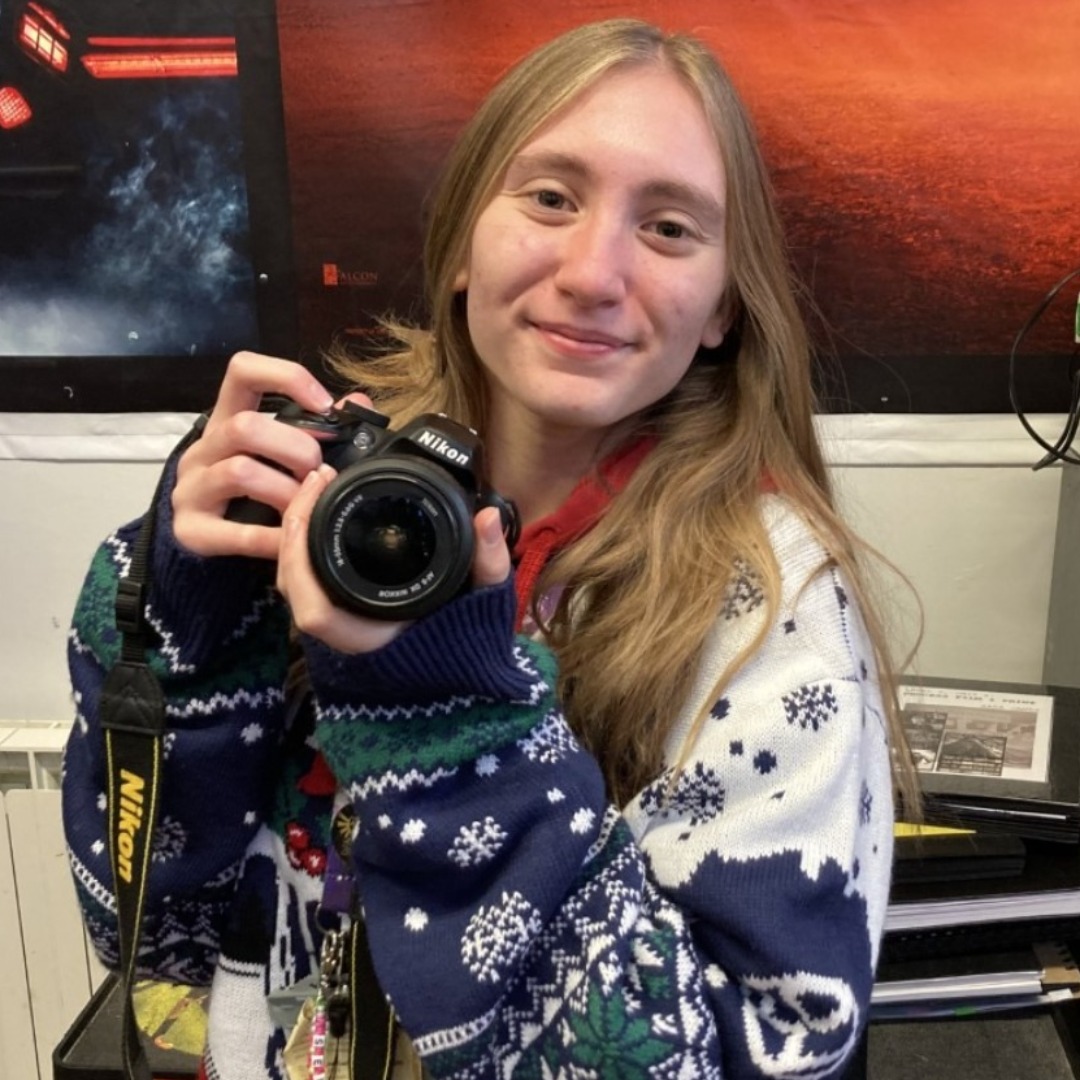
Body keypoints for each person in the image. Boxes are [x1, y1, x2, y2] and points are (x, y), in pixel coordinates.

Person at [62, 17, 917, 1080]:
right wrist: (178, 624)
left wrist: (452, 726)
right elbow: (157, 948)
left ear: (723, 310)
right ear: (462, 241)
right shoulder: (332, 498)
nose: (594, 273)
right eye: (551, 197)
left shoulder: (770, 610)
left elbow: (771, 1061)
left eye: (669, 229)